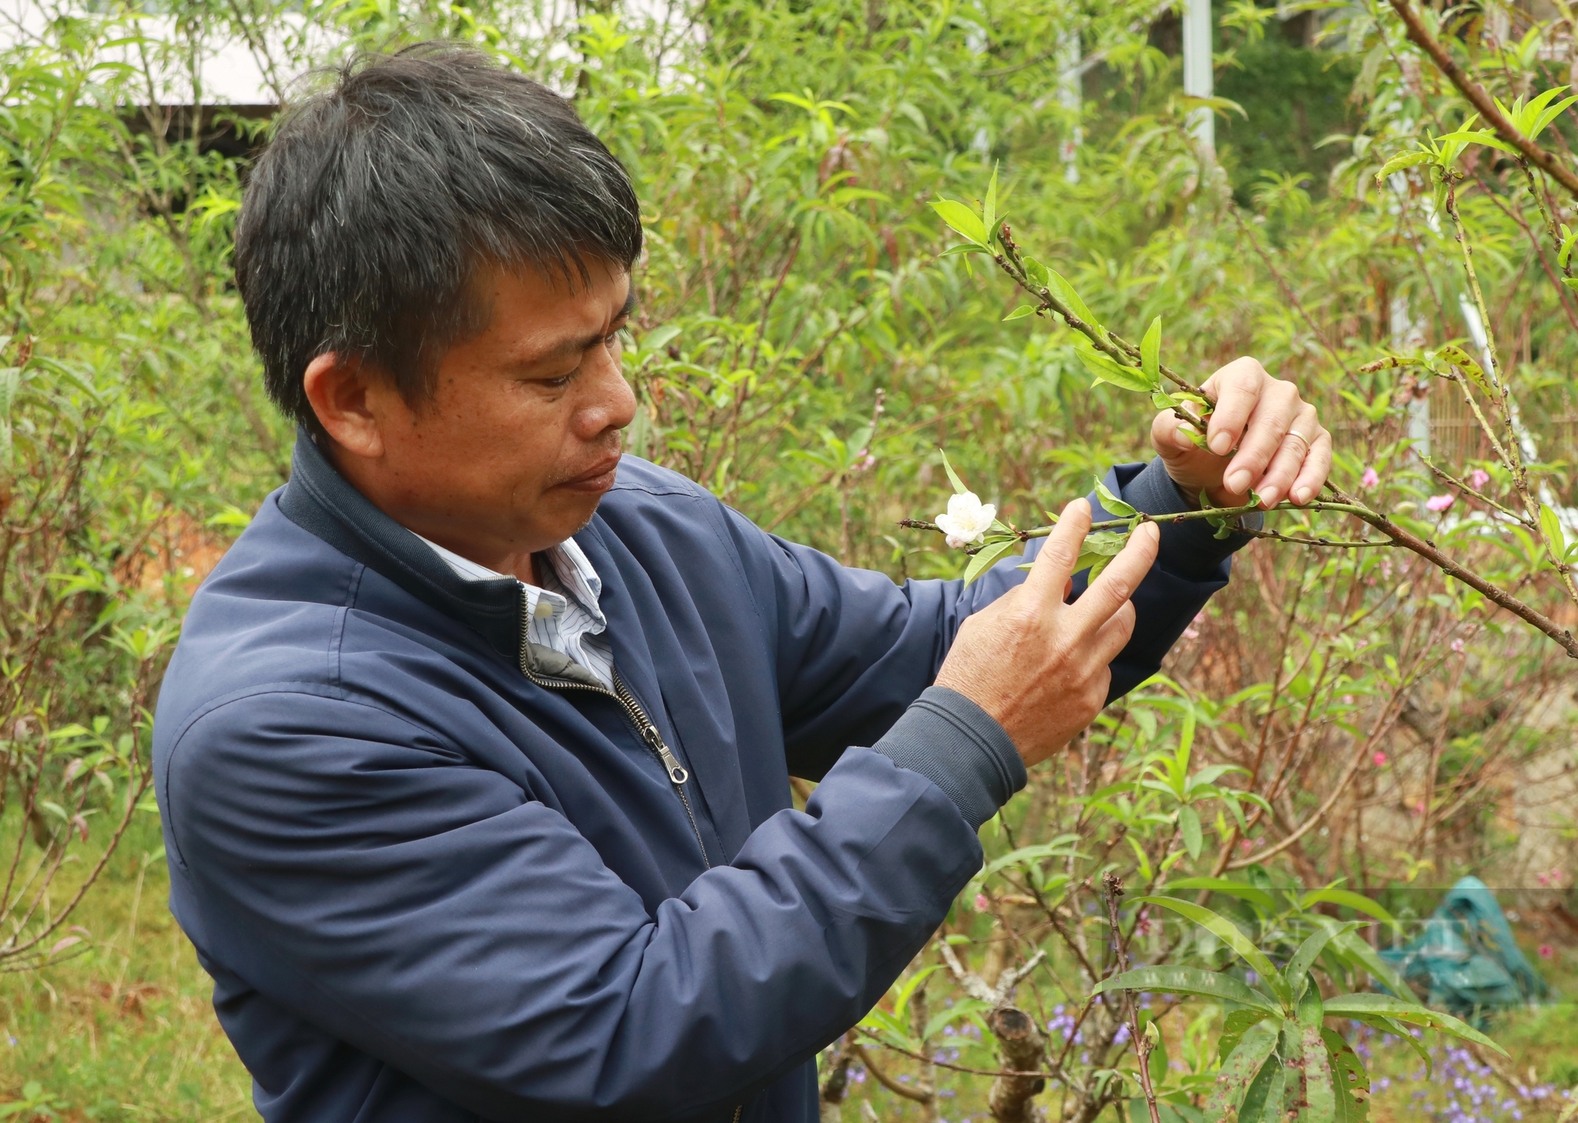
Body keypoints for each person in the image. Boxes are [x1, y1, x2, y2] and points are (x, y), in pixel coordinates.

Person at [153, 44, 1333, 1123]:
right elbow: (628, 1028)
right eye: (554, 369)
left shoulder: (640, 529)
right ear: (352, 399)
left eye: (614, 336)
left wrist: (1177, 509)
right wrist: (965, 742)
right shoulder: (289, 724)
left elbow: (932, 654)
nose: (616, 402)